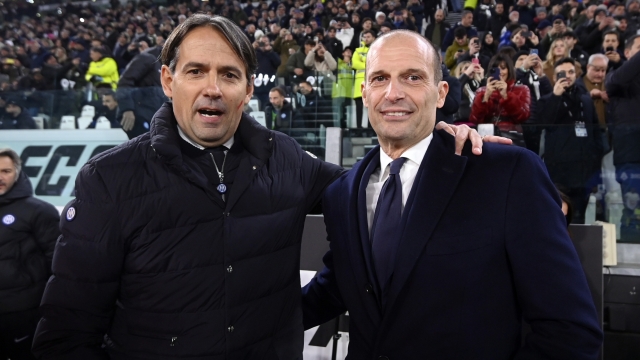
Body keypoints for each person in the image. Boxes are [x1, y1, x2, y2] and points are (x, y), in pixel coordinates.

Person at [31, 14, 490, 359]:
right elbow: (67, 331)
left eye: (229, 75)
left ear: (248, 88)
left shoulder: (287, 157)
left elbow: (376, 186)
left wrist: (433, 142)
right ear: (169, 81)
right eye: (195, 72)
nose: (213, 88)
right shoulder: (109, 179)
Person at [301, 30, 603, 359]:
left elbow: (570, 331)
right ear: (364, 92)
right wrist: (242, 323)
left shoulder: (507, 173)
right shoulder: (342, 193)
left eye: (412, 77)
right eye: (379, 78)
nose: (393, 93)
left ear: (441, 93)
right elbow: (341, 286)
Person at [0, 148, 59, 360]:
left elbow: (58, 261)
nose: (0, 177)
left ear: (16, 172)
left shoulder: (39, 211)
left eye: (5, 171)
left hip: (23, 311)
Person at [537, 57, 605, 224]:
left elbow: (596, 129)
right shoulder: (547, 100)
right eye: (562, 72)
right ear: (554, 77)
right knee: (558, 216)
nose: (567, 76)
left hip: (584, 169)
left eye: (571, 72)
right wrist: (555, 96)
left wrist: (597, 153)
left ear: (576, 74)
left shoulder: (586, 100)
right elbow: (543, 124)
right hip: (559, 170)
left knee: (580, 217)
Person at [606, 34, 640, 239]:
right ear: (627, 53)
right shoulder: (616, 76)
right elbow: (616, 81)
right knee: (634, 206)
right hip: (631, 155)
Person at [116, 44, 167, 140]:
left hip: (151, 116)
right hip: (138, 115)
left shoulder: (161, 65)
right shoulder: (147, 58)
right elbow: (124, 82)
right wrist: (127, 109)